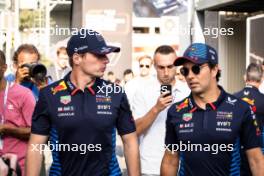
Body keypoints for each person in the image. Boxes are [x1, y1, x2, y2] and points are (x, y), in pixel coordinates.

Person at [26, 29, 140, 176]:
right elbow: (36, 146)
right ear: (77, 58)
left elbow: (130, 141)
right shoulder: (49, 95)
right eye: (99, 55)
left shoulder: (115, 93)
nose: (106, 60)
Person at [161, 43, 264, 176]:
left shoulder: (240, 109)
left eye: (196, 69)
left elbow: (256, 160)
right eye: (185, 71)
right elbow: (170, 161)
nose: (190, 76)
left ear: (214, 70)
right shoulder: (175, 111)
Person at [131, 45, 190, 175]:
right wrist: (156, 109)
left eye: (170, 67)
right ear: (154, 66)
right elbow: (134, 131)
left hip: (183, 166)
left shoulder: (188, 92)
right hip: (151, 166)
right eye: (161, 67)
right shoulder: (143, 91)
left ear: (176, 66)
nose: (166, 72)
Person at [0, 50, 36, 176]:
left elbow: (35, 132)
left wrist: (6, 128)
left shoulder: (23, 94)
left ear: (4, 67)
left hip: (17, 168)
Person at [234, 63, 264, 176]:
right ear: (261, 79)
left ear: (245, 77)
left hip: (237, 157)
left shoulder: (233, 98)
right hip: (259, 155)